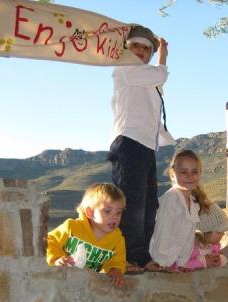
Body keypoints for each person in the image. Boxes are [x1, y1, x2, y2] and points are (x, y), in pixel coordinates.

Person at [108, 25, 175, 272]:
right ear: (127, 48)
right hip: (129, 140)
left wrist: (162, 56)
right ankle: (128, 258)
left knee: (148, 204)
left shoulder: (146, 76)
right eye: (135, 45)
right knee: (131, 202)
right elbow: (160, 75)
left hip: (146, 145)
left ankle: (142, 257)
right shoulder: (124, 69)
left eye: (146, 48)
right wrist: (163, 55)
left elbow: (158, 81)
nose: (140, 51)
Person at [46, 183, 128, 288]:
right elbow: (51, 240)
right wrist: (56, 258)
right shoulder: (72, 227)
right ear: (90, 212)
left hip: (87, 286)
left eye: (118, 212)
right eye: (107, 211)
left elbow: (117, 259)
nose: (114, 217)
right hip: (62, 279)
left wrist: (116, 270)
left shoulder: (117, 239)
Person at [148, 149, 214, 271]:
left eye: (194, 172)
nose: (189, 176)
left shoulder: (193, 202)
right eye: (184, 172)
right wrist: (161, 263)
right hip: (159, 259)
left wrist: (182, 263)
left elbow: (188, 237)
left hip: (172, 261)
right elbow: (163, 231)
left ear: (200, 174)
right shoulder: (171, 199)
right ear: (173, 174)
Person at [184, 203, 228, 270]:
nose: (223, 234)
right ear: (205, 232)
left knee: (223, 259)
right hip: (191, 274)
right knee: (201, 259)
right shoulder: (190, 247)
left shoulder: (214, 244)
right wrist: (204, 261)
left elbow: (215, 251)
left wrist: (216, 256)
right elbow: (178, 263)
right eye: (219, 232)